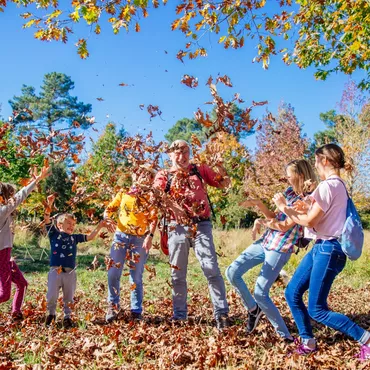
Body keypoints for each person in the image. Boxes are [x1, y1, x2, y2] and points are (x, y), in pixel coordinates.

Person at [273, 143, 370, 360]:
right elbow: (317, 216)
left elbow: (309, 220)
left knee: (317, 309)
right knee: (292, 292)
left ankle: (366, 340)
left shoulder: (329, 186)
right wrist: (304, 206)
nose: (315, 165)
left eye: (316, 161)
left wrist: (283, 207)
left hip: (329, 249)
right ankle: (308, 341)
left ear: (324, 161)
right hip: (321, 247)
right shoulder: (336, 186)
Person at [226, 159, 316, 341]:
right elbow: (274, 216)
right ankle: (253, 309)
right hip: (266, 241)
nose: (286, 178)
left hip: (281, 247)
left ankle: (285, 336)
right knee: (232, 272)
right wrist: (259, 204)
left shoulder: (308, 199)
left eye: (289, 175)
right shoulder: (289, 192)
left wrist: (264, 222)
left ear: (299, 175)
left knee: (260, 292)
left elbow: (284, 225)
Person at [153, 139, 231, 330]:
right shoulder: (164, 175)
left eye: (185, 151)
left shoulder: (200, 169)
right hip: (176, 227)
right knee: (177, 273)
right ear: (170, 155)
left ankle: (221, 314)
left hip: (201, 225)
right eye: (177, 153)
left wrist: (220, 166)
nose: (182, 156)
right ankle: (180, 316)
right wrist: (175, 207)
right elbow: (154, 195)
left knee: (211, 269)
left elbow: (224, 184)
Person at [44, 194, 113, 328]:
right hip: (55, 271)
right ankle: (51, 314)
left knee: (68, 297)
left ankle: (67, 317)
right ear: (59, 224)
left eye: (73, 224)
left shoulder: (74, 238)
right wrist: (49, 203)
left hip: (70, 272)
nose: (71, 226)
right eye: (68, 223)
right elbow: (47, 218)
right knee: (51, 295)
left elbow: (90, 237)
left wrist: (100, 226)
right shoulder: (54, 234)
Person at [104, 165, 157, 323]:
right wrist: (107, 219)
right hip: (120, 237)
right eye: (142, 175)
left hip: (139, 239)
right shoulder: (123, 193)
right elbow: (109, 209)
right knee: (113, 272)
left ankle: (136, 311)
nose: (144, 178)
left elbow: (153, 219)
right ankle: (112, 306)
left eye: (149, 177)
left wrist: (150, 236)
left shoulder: (150, 198)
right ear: (135, 176)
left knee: (136, 276)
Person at [0, 164, 49, 320]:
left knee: (22, 284)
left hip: (6, 257)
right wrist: (37, 181)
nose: (14, 199)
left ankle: (16, 313)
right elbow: (21, 196)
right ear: (6, 197)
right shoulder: (2, 211)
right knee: (4, 295)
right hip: (1, 257)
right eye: (11, 196)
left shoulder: (6, 215)